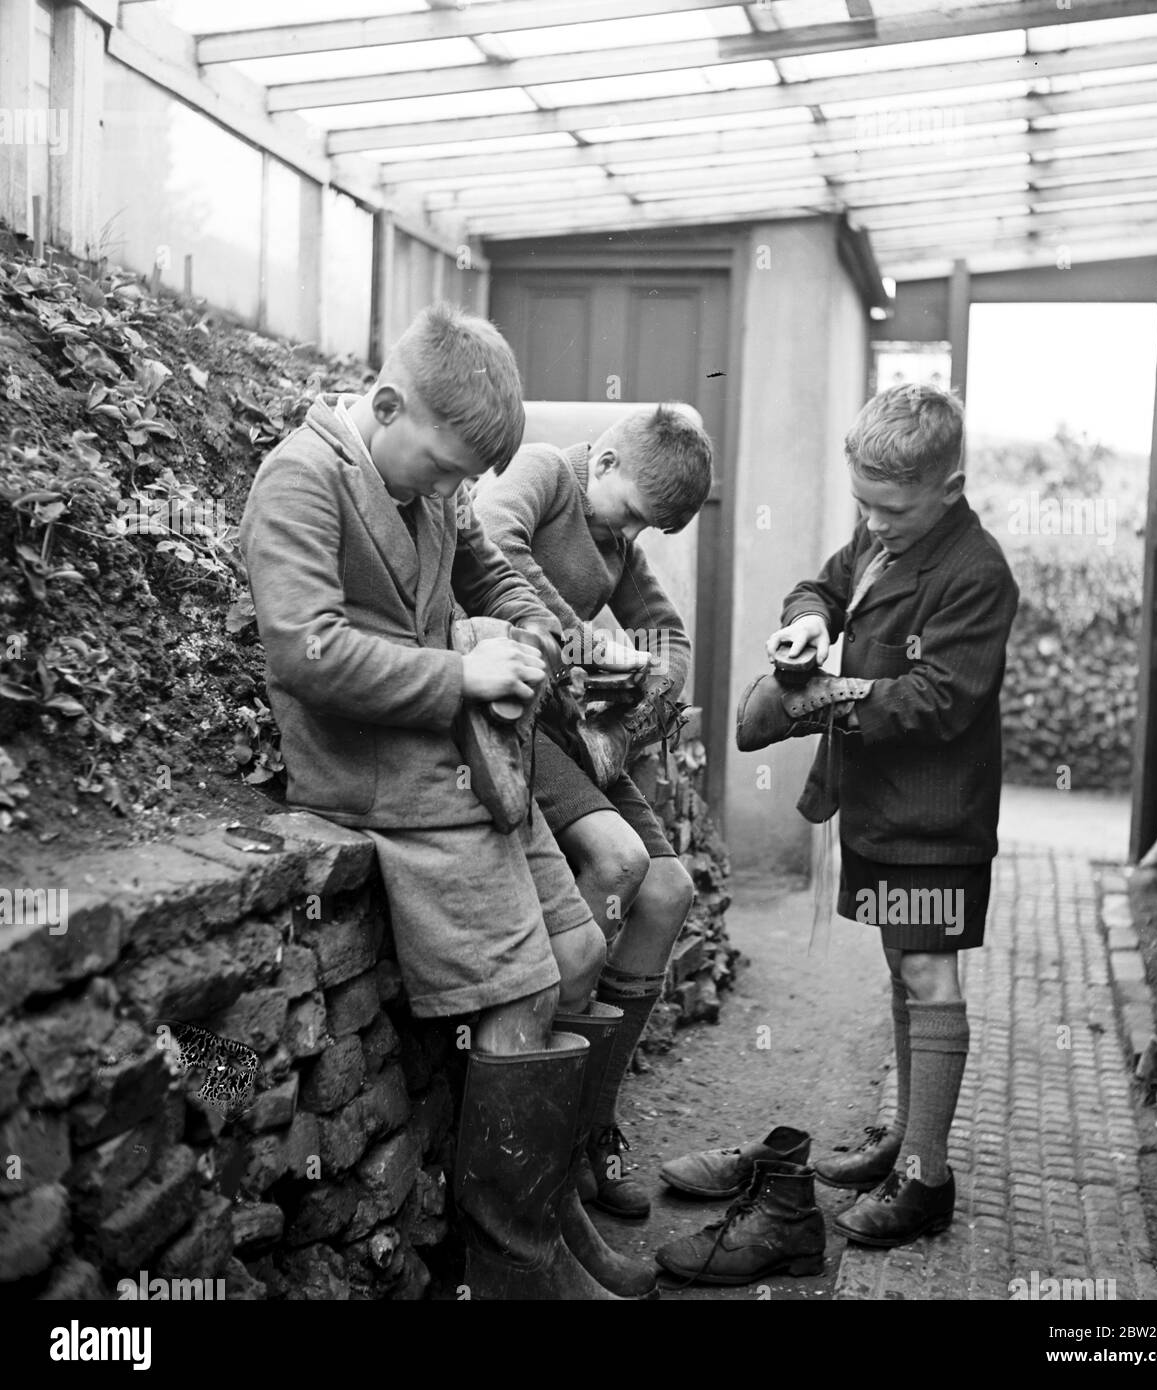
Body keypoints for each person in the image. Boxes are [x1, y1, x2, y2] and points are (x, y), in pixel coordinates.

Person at [238, 303, 655, 1300]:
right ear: (384, 406)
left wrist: (522, 627)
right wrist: (458, 673)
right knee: (517, 999)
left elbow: (492, 569)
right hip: (381, 778)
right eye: (449, 468)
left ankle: (550, 1216)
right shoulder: (303, 478)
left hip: (463, 767)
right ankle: (515, 1272)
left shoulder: (426, 474)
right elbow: (304, 650)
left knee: (584, 948)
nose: (458, 491)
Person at [656, 383, 1018, 1282]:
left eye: (889, 507)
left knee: (929, 971)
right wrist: (808, 623)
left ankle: (927, 1179)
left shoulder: (975, 572)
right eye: (861, 501)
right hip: (881, 808)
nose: (871, 521)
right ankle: (903, 1136)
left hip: (937, 817)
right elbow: (821, 581)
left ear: (949, 486)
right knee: (902, 963)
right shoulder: (884, 539)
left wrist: (824, 698)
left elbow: (944, 699)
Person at [471, 403, 712, 1218]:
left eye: (649, 529)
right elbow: (489, 540)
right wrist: (583, 642)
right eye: (635, 514)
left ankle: (593, 1125)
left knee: (669, 892)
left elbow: (666, 632)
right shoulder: (542, 470)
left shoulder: (617, 536)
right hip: (520, 716)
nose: (632, 537)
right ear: (604, 462)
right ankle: (552, 1138)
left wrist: (650, 689)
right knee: (619, 862)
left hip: (582, 733)